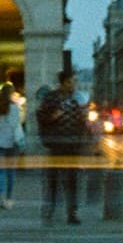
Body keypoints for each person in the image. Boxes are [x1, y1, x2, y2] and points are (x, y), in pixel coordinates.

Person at [36, 69, 89, 225]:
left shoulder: (76, 99)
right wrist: (52, 117)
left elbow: (82, 122)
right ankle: (50, 210)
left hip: (72, 145)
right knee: (53, 180)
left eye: (75, 82)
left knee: (72, 181)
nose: (74, 85)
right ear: (63, 83)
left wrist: (81, 138)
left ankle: (72, 213)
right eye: (71, 82)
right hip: (57, 144)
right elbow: (40, 117)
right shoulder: (51, 98)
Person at [0, 82, 25, 209]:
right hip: (12, 143)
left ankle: (1, 198)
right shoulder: (15, 108)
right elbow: (17, 124)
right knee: (11, 172)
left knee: (1, 172)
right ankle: (9, 198)